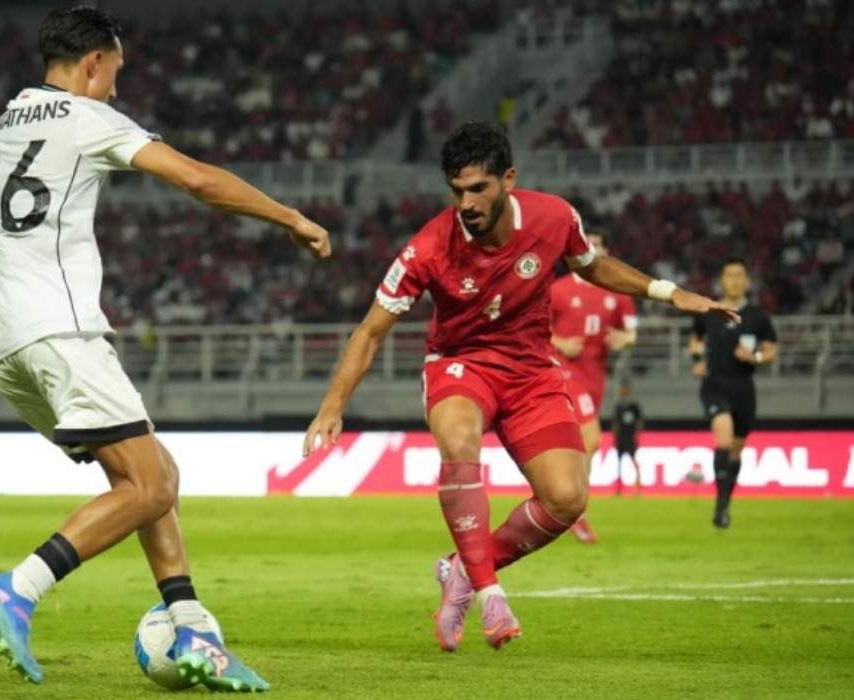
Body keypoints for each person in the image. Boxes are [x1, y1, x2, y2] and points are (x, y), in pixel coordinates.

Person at [0, 6, 330, 691]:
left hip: (4, 351)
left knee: (156, 478)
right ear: (93, 62)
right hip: (60, 332)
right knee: (147, 484)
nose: (117, 87)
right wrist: (290, 216)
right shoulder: (88, 120)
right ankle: (18, 587)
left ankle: (190, 623)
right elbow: (199, 180)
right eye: (115, 70)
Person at [303, 122, 737, 652]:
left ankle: (461, 567)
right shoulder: (427, 249)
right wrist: (332, 406)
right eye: (456, 191)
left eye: (479, 188)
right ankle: (488, 592)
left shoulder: (554, 217)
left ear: (508, 179)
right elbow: (370, 331)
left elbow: (593, 266)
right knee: (459, 441)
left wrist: (668, 293)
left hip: (532, 371)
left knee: (567, 498)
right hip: (460, 366)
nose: (466, 202)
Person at [548, 229, 638, 542]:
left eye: (598, 245)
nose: (593, 249)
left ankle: (563, 501)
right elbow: (533, 330)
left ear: (606, 251)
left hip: (596, 375)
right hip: (564, 371)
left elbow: (632, 334)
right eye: (588, 244)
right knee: (592, 438)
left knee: (576, 445)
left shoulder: (618, 292)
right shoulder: (557, 290)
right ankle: (576, 509)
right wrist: (560, 342)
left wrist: (622, 340)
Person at [690, 258, 776, 528]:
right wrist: (697, 360)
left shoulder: (758, 317)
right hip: (715, 384)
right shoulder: (709, 311)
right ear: (722, 280)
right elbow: (695, 338)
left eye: (740, 275)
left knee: (736, 452)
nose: (735, 280)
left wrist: (756, 356)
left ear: (747, 281)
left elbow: (771, 351)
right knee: (724, 438)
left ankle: (725, 502)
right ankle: (720, 507)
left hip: (743, 388)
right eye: (730, 275)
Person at [612, 381, 643, 495]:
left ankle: (638, 487)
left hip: (630, 436)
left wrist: (637, 434)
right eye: (621, 390)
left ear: (628, 391)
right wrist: (614, 438)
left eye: (624, 390)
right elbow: (615, 423)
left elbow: (639, 420)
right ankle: (619, 489)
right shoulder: (618, 406)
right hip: (621, 437)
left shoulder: (634, 406)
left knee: (634, 461)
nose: (623, 392)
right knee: (619, 464)